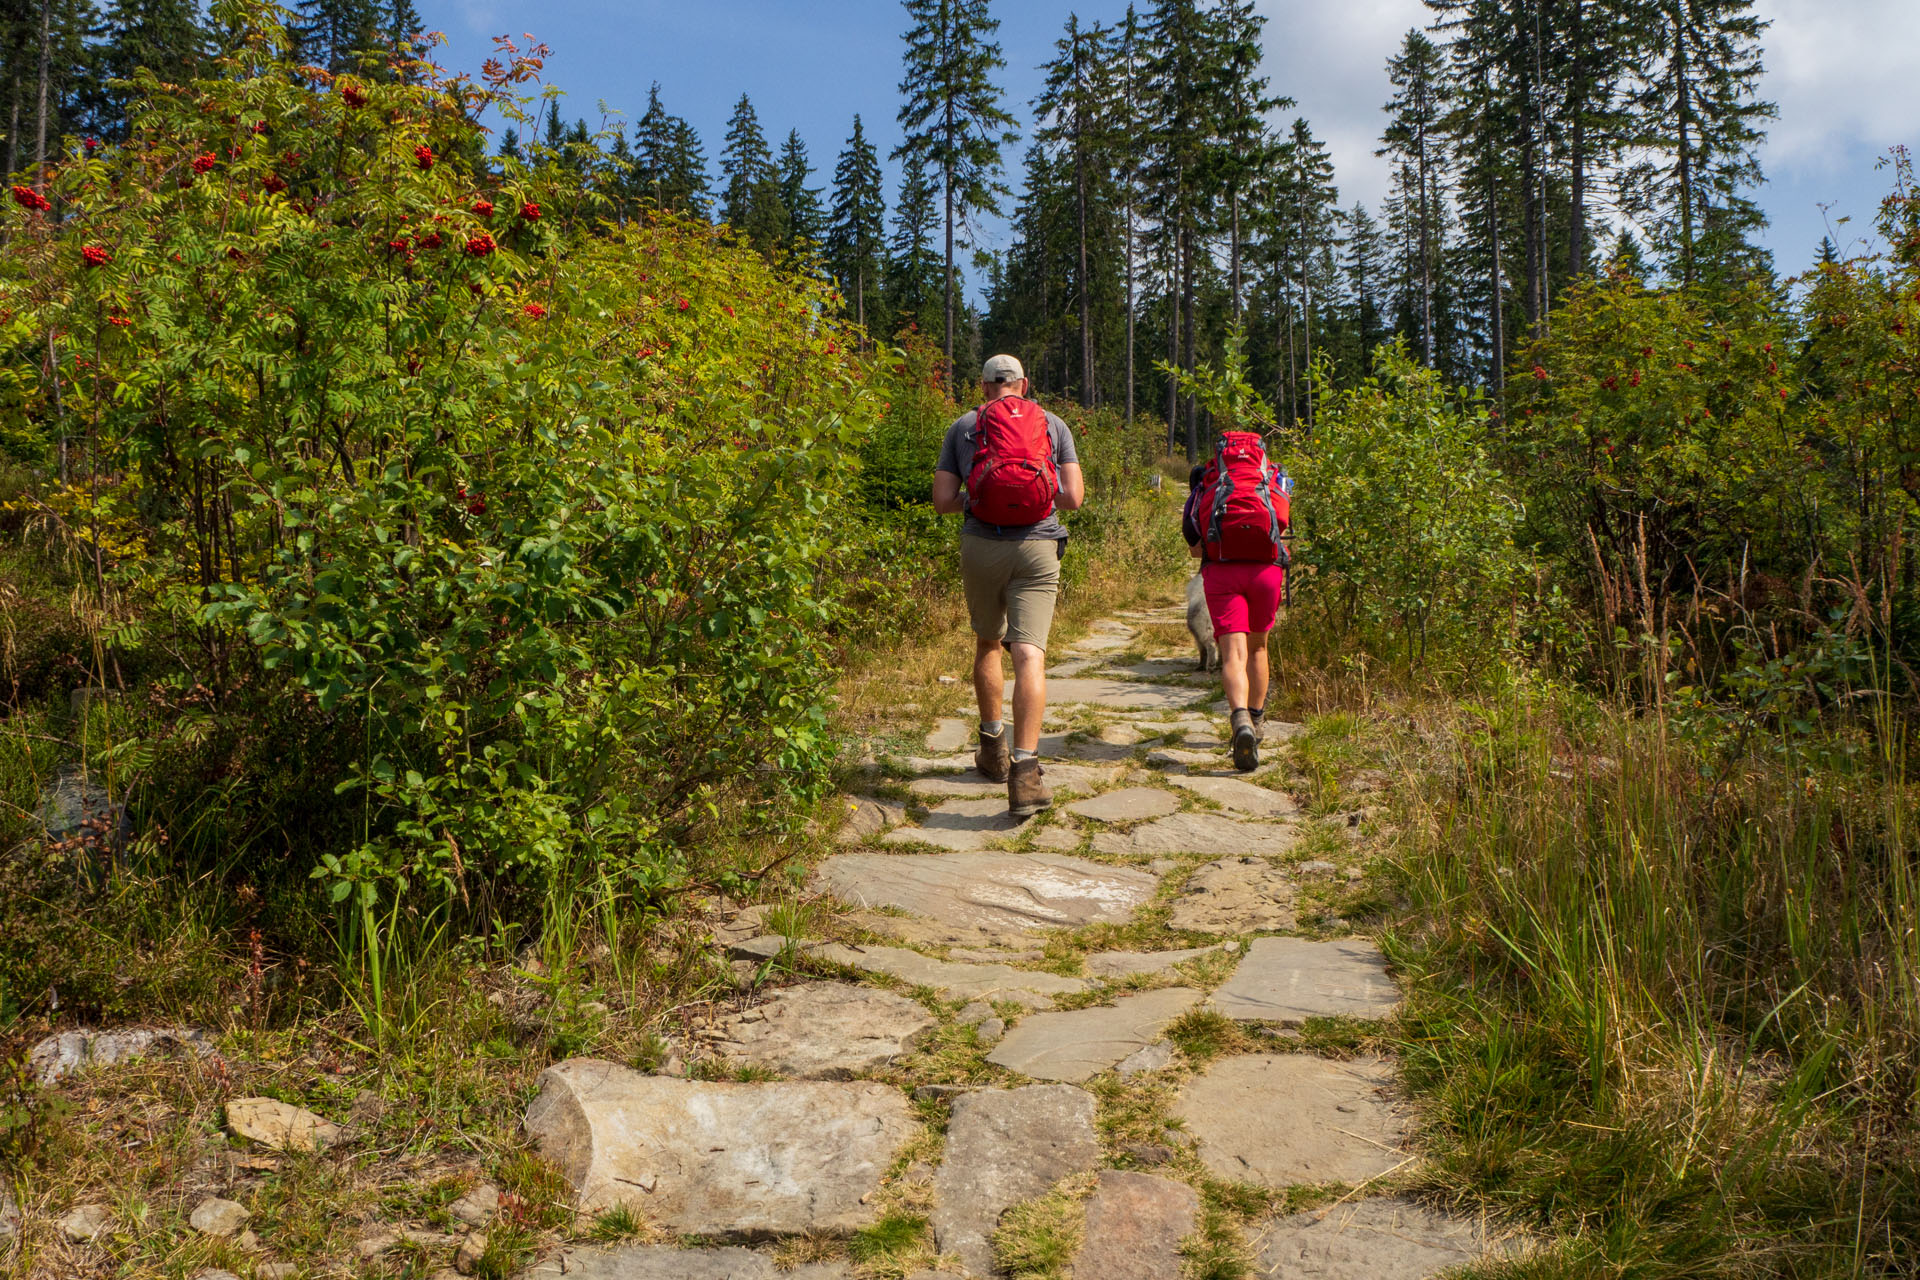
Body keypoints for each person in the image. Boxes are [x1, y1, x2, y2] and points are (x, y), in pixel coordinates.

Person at [932, 354, 1086, 816]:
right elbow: (1074, 498)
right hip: (1039, 546)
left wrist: (980, 497)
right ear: (1024, 384)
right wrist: (1034, 497)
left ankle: (992, 747)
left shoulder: (963, 426)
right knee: (1029, 654)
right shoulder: (1053, 424)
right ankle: (1025, 773)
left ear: (983, 387)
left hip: (981, 544)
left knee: (988, 643)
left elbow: (942, 501)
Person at [1183, 433, 1290, 772]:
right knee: (1258, 649)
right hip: (1266, 572)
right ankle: (1256, 724)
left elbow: (1193, 542)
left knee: (1233, 652)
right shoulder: (1274, 476)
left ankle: (1239, 720)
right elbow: (1283, 522)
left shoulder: (1207, 480)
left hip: (1222, 573)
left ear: (1219, 454)